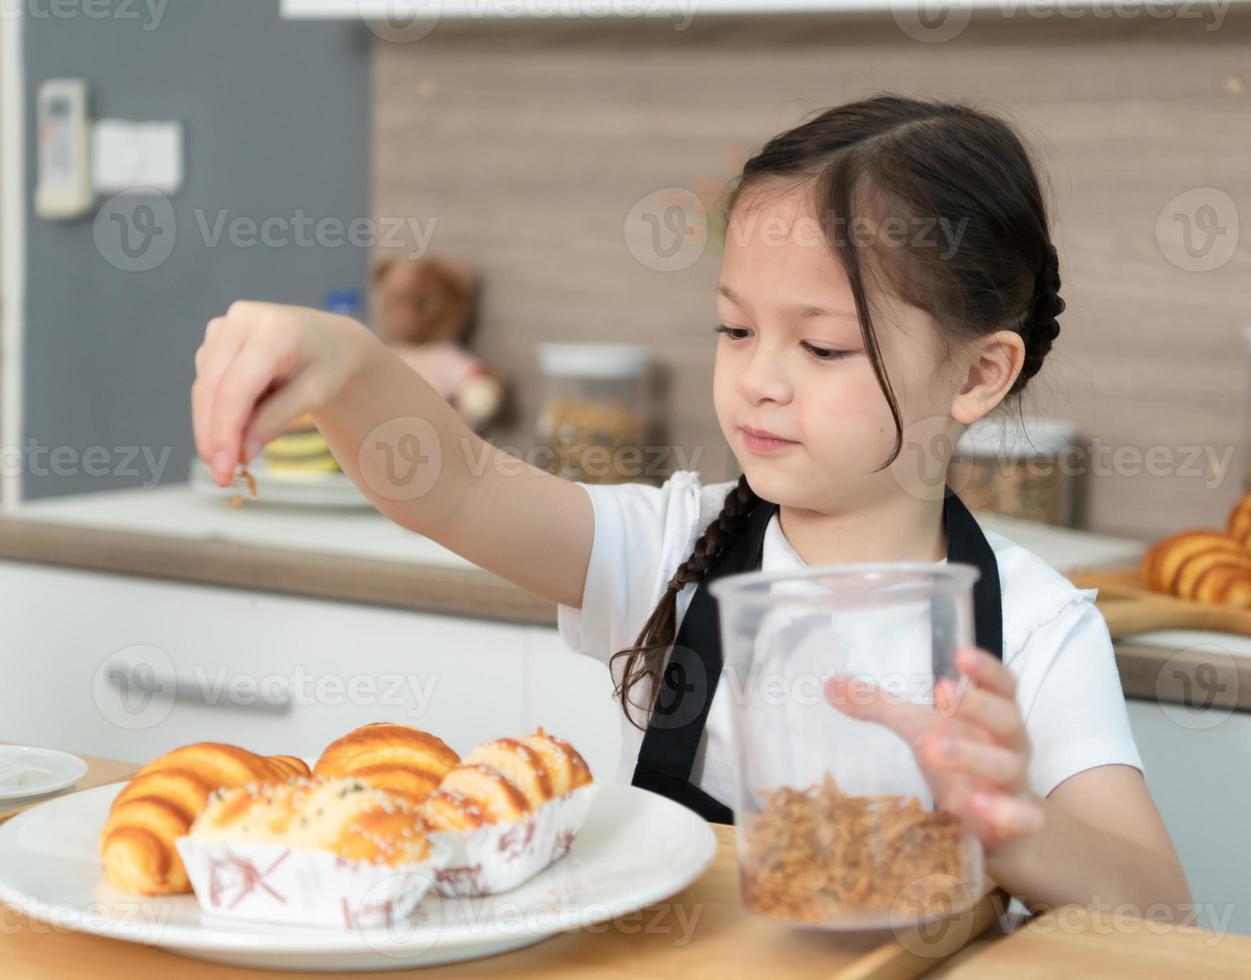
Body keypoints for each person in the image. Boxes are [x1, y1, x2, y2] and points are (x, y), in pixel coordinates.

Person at [191, 94, 1190, 914]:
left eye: (822, 345)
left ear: (978, 374)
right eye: (733, 328)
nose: (760, 377)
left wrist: (1014, 816)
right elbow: (453, 485)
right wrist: (349, 368)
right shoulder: (675, 546)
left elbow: (1160, 908)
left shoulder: (1035, 628)